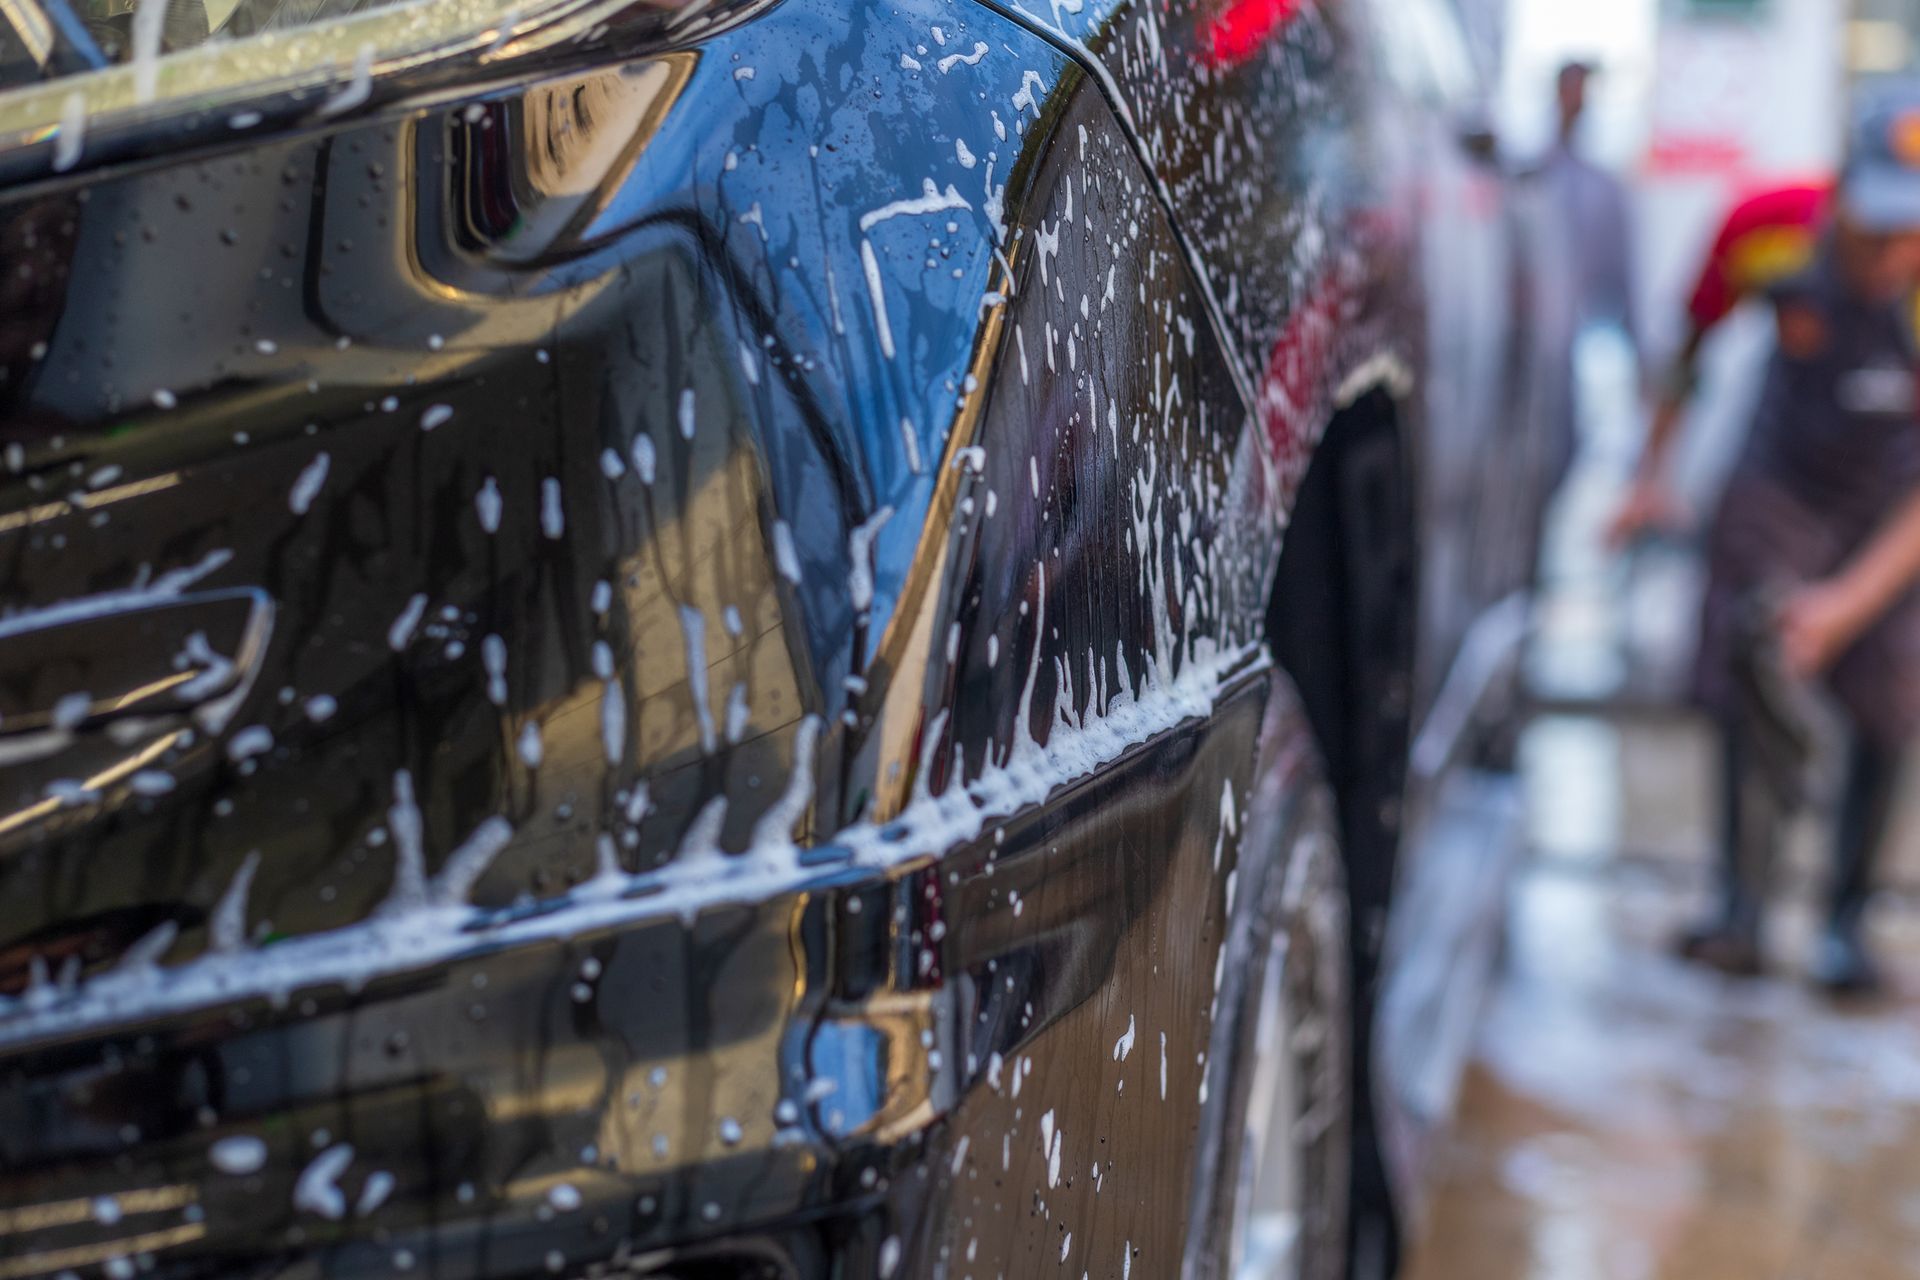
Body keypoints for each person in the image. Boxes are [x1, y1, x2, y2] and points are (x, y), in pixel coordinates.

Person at [1611, 82, 1920, 993]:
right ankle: (1741, 911)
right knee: (1750, 649)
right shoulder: (1767, 228)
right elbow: (1690, 344)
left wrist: (1845, 608)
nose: (1892, 253)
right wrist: (1647, 476)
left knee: (1893, 694)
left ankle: (1845, 923)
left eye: (1913, 232)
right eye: (1877, 227)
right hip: (1778, 480)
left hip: (1891, 501)